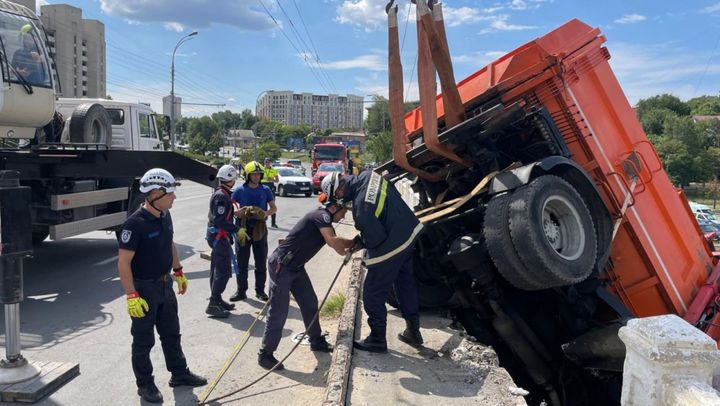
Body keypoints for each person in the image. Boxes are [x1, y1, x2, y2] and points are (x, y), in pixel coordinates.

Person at [117, 168, 207, 403]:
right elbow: (123, 263)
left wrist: (178, 272)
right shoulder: (133, 225)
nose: (174, 197)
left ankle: (179, 373)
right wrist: (131, 295)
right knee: (143, 340)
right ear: (155, 193)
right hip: (143, 289)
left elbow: (170, 244)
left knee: (171, 333)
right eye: (170, 193)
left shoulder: (165, 215)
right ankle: (145, 384)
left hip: (164, 284)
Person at [321, 171, 424, 353]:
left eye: (336, 197)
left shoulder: (361, 208)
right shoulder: (369, 175)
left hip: (393, 244)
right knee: (405, 285)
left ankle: (377, 339)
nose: (339, 201)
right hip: (409, 232)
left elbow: (376, 239)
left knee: (372, 293)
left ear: (339, 189)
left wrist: (361, 242)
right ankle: (413, 332)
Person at [257, 197, 356, 370]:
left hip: (296, 267)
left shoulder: (325, 221)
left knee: (310, 302)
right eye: (343, 212)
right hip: (282, 266)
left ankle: (316, 340)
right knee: (279, 311)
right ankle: (265, 354)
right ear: (333, 208)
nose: (343, 217)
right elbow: (333, 241)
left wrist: (354, 245)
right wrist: (354, 242)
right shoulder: (321, 216)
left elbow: (340, 250)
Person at [230, 161, 277, 302]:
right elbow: (231, 208)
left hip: (259, 229)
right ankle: (241, 291)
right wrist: (237, 213)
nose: (256, 177)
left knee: (261, 262)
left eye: (258, 174)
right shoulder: (239, 190)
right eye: (253, 174)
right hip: (242, 229)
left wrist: (265, 214)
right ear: (247, 175)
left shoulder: (265, 190)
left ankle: (260, 291)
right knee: (242, 262)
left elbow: (273, 208)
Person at [205, 165, 240, 318]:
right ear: (230, 179)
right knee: (223, 271)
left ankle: (217, 299)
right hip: (219, 236)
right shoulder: (221, 196)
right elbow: (219, 220)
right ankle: (213, 302)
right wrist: (236, 229)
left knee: (217, 267)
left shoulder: (222, 193)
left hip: (219, 236)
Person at [262, 158, 279, 228]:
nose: (267, 163)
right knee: (262, 205)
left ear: (270, 163)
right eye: (266, 162)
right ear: (264, 162)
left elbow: (277, 180)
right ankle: (263, 222)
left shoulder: (273, 170)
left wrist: (272, 179)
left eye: (268, 162)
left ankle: (273, 223)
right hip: (262, 187)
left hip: (270, 187)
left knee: (272, 205)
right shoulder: (261, 170)